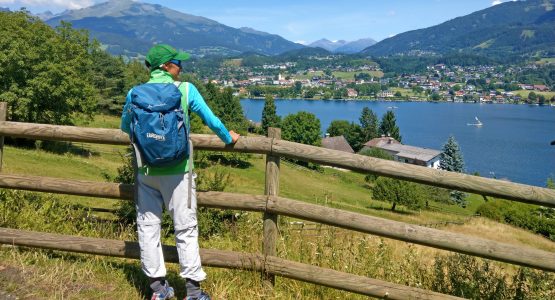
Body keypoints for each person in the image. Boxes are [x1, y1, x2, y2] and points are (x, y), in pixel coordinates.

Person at [121, 44, 240, 300]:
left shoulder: (134, 93)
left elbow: (124, 126)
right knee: (185, 229)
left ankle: (158, 290)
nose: (181, 67)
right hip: (179, 172)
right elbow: (212, 120)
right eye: (178, 62)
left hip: (147, 171)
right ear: (166, 66)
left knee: (148, 227)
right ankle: (194, 293)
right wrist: (228, 136)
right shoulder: (186, 90)